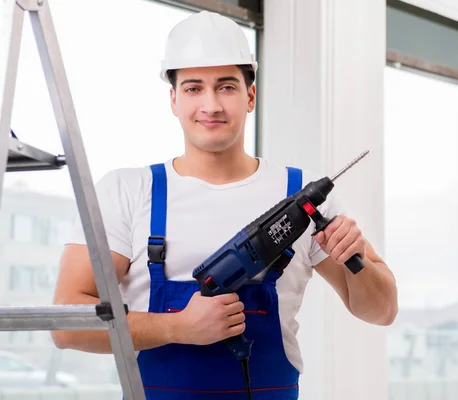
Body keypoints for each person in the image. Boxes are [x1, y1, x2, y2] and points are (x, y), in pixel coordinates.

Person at [51, 10, 398, 399]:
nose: (211, 105)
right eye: (194, 88)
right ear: (174, 99)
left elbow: (380, 311)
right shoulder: (126, 192)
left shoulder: (302, 198)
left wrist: (358, 260)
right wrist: (176, 328)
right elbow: (66, 324)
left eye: (227, 87)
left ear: (250, 96)